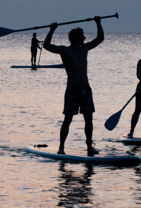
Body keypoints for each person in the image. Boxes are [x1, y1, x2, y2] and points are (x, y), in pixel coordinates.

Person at [43, 17, 104, 155]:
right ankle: (61, 148)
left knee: (89, 119)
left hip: (85, 89)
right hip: (72, 90)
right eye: (82, 36)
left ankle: (89, 146)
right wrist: (52, 30)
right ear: (76, 38)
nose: (84, 38)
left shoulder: (85, 48)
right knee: (68, 119)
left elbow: (100, 38)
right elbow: (47, 46)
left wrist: (98, 23)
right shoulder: (65, 51)